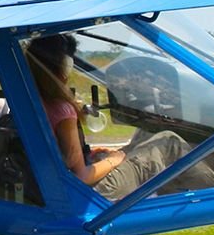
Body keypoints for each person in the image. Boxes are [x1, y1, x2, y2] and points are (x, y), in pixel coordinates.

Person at [25, 33, 185, 200]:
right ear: (64, 67)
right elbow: (81, 177)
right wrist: (113, 160)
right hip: (89, 192)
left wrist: (88, 154)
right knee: (168, 141)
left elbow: (63, 156)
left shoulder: (28, 101)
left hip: (50, 188)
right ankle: (209, 194)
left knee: (142, 140)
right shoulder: (63, 110)